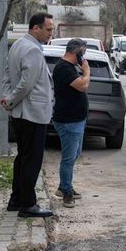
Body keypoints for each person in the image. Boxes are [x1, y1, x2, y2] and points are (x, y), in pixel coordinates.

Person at [1, 13, 55, 218]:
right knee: (32, 159)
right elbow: (27, 83)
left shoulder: (18, 45)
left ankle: (16, 199)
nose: (51, 33)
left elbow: (7, 74)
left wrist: (7, 97)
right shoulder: (32, 49)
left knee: (23, 158)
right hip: (31, 113)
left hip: (22, 113)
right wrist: (11, 99)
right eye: (48, 29)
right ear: (35, 28)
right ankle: (28, 204)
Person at [51, 38, 90, 209]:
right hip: (68, 120)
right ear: (78, 52)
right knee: (68, 158)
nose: (84, 56)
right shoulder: (63, 68)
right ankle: (66, 191)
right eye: (84, 53)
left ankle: (65, 185)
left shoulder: (71, 67)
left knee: (75, 154)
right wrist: (86, 71)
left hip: (77, 119)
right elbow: (83, 85)